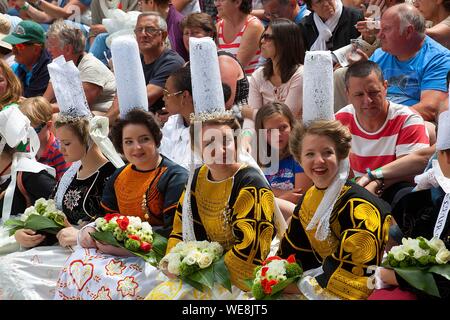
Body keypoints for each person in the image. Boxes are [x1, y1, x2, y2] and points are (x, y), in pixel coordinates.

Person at [55, 109, 188, 299]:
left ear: (156, 140)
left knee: (122, 286)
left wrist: (128, 244)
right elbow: (106, 218)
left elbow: (174, 232)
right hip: (115, 252)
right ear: (120, 146)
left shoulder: (174, 176)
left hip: (156, 256)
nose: (137, 148)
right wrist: (93, 232)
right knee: (77, 264)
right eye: (128, 142)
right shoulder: (119, 176)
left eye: (144, 139)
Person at [277, 119, 392, 300]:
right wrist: (274, 275)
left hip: (359, 288)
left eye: (327, 152)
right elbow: (293, 250)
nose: (319, 161)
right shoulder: (309, 197)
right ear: (299, 159)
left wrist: (291, 287)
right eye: (309, 154)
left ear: (340, 155)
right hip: (320, 280)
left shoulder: (360, 206)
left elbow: (357, 277)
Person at [335, 61, 429, 193]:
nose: (367, 100)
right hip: (357, 191)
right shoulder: (340, 120)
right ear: (348, 94)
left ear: (385, 87)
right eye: (359, 95)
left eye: (373, 92)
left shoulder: (407, 119)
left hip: (396, 195)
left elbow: (409, 171)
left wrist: (375, 183)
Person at [369, 3, 450, 121]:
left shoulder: (439, 59)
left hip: (412, 123)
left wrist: (387, 121)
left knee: (428, 129)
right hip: (376, 117)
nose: (380, 35)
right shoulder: (379, 55)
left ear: (408, 31)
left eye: (386, 29)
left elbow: (430, 109)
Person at [105, 12, 185, 122]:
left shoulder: (172, 62)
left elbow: (142, 99)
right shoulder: (135, 60)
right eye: (139, 30)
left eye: (150, 29)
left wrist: (103, 122)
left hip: (157, 123)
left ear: (164, 35)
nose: (143, 34)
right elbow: (119, 99)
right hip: (134, 118)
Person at [43, 20, 117, 115]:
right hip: (80, 115)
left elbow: (78, 107)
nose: (48, 49)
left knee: (57, 118)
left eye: (52, 45)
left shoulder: (91, 67)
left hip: (102, 117)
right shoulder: (58, 64)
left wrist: (39, 107)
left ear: (68, 49)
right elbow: (46, 99)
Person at [243, 18, 305, 128]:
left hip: (292, 140)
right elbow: (250, 122)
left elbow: (284, 119)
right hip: (265, 138)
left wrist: (252, 113)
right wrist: (245, 140)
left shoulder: (300, 75)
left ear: (284, 42)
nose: (262, 41)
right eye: (263, 36)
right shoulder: (258, 75)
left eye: (267, 37)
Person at [181, 12, 249, 108]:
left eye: (195, 32)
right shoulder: (187, 65)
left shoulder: (224, 62)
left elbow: (225, 104)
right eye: (186, 33)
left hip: (233, 119)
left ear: (210, 34)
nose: (190, 38)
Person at [255, 102, 312, 205]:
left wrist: (270, 194)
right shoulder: (259, 160)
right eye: (270, 131)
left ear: (292, 126)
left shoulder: (299, 157)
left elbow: (300, 197)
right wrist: (284, 197)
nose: (277, 135)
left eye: (282, 128)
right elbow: (256, 194)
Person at [18, 97, 71, 181]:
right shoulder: (25, 146)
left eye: (34, 130)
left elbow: (65, 184)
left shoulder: (60, 152)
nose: (27, 134)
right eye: (23, 129)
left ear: (49, 125)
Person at [2, 20, 51, 97]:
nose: (13, 51)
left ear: (36, 49)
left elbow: (28, 102)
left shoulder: (48, 72)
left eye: (19, 46)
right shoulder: (18, 66)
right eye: (13, 45)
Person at [216, 0, 265, 76]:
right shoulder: (218, 27)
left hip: (248, 85)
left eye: (221, 0)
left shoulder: (253, 26)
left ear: (237, 2)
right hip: (224, 83)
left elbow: (237, 67)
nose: (216, 3)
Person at [299, 0, 363, 51]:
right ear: (311, 7)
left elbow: (362, 48)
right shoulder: (305, 26)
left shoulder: (354, 17)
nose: (326, 4)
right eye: (319, 1)